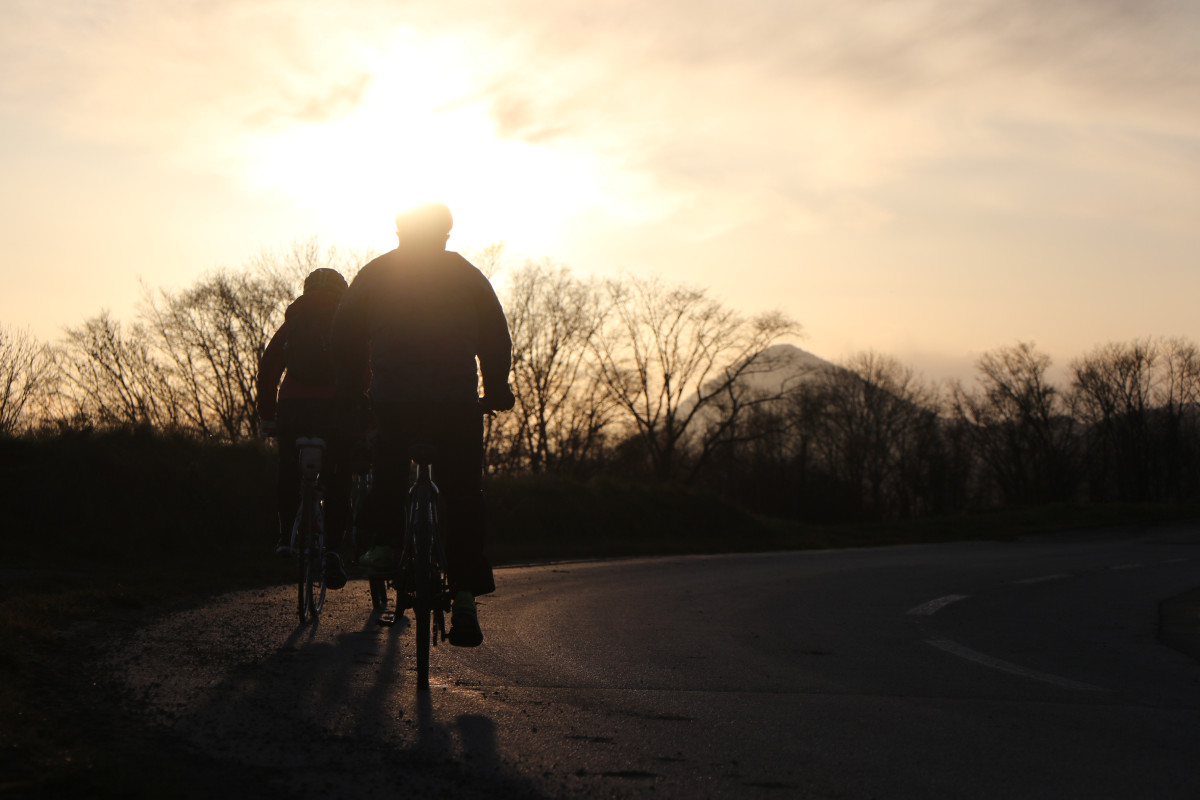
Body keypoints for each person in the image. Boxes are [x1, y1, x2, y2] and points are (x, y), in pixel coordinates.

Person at [331, 201, 514, 647]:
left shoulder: (376, 273)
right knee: (465, 494)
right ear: (446, 235)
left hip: (394, 400)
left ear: (399, 232)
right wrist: (497, 389)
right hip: (455, 402)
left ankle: (383, 545)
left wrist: (352, 389)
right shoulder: (467, 274)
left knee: (389, 465)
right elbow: (495, 333)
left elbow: (345, 334)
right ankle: (466, 596)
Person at [257, 267, 352, 590]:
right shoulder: (348, 323)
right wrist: (365, 416)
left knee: (288, 468)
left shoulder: (294, 321)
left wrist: (267, 414)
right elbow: (364, 369)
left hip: (294, 407)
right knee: (339, 478)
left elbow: (269, 366)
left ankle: (285, 537)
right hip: (334, 409)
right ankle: (334, 551)